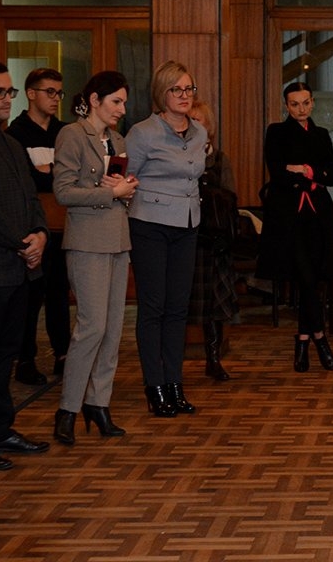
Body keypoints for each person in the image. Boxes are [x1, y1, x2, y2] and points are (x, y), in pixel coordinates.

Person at [51, 71, 138, 445]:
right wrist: (111, 194)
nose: (121, 109)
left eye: (123, 102)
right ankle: (67, 409)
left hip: (118, 239)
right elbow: (63, 192)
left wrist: (126, 191)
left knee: (113, 329)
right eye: (116, 101)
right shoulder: (72, 135)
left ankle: (98, 403)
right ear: (94, 100)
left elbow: (118, 191)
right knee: (91, 328)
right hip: (87, 242)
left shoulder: (117, 140)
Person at [0, 60, 52, 471]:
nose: (7, 99)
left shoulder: (9, 143)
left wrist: (40, 234)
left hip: (18, 268)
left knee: (6, 354)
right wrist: (23, 244)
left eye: (10, 92)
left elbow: (31, 198)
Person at [127, 61, 206, 417]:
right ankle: (155, 386)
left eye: (189, 89)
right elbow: (125, 179)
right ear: (162, 93)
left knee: (178, 309)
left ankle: (175, 384)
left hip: (187, 225)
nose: (184, 95)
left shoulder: (199, 132)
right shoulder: (142, 133)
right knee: (153, 308)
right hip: (150, 225)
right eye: (176, 89)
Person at [257, 82, 333, 373]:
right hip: (288, 218)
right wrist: (314, 175)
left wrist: (305, 170)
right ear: (286, 105)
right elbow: (277, 172)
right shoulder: (276, 132)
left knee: (313, 279)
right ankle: (320, 338)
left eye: (305, 103)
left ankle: (303, 340)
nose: (301, 109)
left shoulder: (321, 134)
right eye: (294, 104)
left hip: (318, 217)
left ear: (313, 102)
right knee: (305, 277)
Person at [5, 67, 72, 385]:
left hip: (63, 223)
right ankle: (25, 359)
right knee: (30, 296)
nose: (56, 98)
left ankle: (63, 354)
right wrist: (52, 172)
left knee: (59, 292)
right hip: (32, 226)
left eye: (59, 92)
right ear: (31, 94)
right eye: (49, 92)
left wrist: (49, 170)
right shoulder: (15, 134)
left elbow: (72, 175)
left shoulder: (65, 132)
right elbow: (26, 180)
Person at [188, 99, 239, 382]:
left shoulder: (219, 159)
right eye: (190, 120)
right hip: (188, 237)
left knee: (215, 304)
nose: (194, 125)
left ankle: (214, 358)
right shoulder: (179, 155)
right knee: (186, 301)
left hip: (215, 241)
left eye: (199, 121)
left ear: (209, 127)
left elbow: (231, 197)